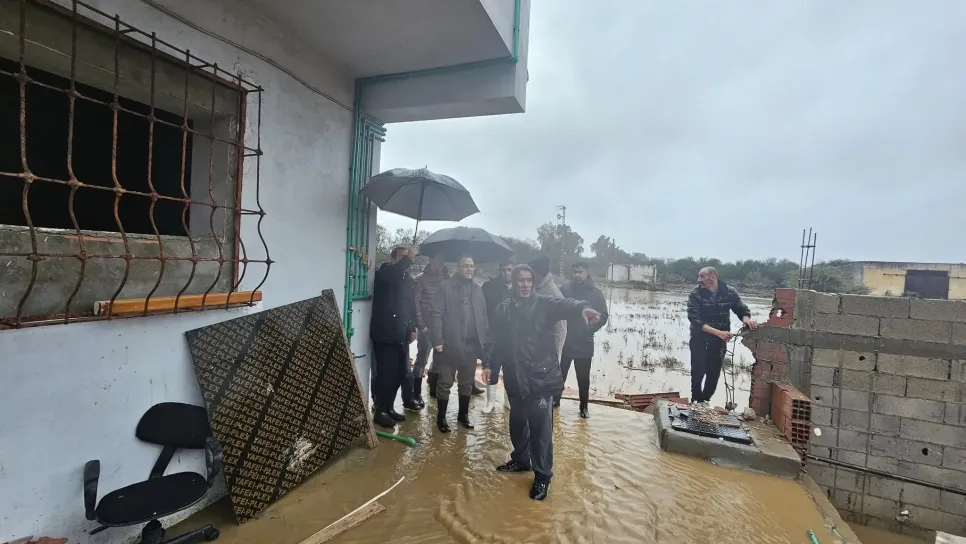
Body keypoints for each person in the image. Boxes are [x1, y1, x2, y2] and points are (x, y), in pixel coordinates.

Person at [484, 264, 600, 501]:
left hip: (541, 378)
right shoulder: (503, 308)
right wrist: (488, 364)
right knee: (517, 423)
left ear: (533, 282)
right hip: (515, 377)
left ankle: (543, 476)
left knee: (541, 431)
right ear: (513, 282)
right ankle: (521, 460)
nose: (525, 284)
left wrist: (583, 308)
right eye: (520, 280)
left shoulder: (545, 304)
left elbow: (566, 304)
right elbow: (493, 338)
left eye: (529, 280)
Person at [429, 255, 492, 433]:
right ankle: (441, 418)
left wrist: (485, 342)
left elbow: (484, 318)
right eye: (465, 266)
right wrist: (437, 340)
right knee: (445, 382)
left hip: (471, 346)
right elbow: (435, 313)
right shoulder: (445, 287)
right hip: (449, 344)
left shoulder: (478, 290)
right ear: (458, 268)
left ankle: (463, 416)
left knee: (466, 382)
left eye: (471, 266)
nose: (469, 269)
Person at [686, 266, 757, 406]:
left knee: (714, 371)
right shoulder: (695, 293)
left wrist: (746, 320)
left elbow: (741, 309)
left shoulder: (729, 292)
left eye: (701, 276)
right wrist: (718, 333)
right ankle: (695, 399)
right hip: (699, 338)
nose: (698, 280)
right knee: (698, 370)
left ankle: (705, 400)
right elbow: (695, 320)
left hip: (719, 341)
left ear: (712, 277)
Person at [369, 245, 418, 428]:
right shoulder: (384, 273)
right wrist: (408, 258)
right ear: (393, 259)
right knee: (386, 375)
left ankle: (389, 407)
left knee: (399, 374)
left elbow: (411, 306)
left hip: (401, 334)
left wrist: (412, 327)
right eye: (401, 257)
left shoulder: (408, 279)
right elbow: (393, 277)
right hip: (385, 334)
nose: (405, 260)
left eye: (407, 257)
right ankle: (380, 410)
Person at [559, 262, 609, 418]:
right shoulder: (565, 289)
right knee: (559, 375)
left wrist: (588, 330)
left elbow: (603, 316)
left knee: (583, 378)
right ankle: (555, 402)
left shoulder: (596, 293)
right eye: (574, 272)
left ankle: (584, 407)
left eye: (580, 272)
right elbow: (556, 308)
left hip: (584, 341)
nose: (576, 275)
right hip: (565, 340)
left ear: (587, 273)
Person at [528, 255, 567, 407]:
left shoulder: (553, 294)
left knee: (543, 391)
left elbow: (561, 330)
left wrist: (554, 356)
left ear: (538, 273)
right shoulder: (535, 288)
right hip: (533, 348)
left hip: (546, 352)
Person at [413, 253, 449, 408]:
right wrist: (421, 325)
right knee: (422, 358)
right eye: (438, 259)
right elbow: (415, 304)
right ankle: (416, 393)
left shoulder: (447, 278)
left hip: (442, 326)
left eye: (443, 259)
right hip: (426, 326)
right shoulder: (420, 279)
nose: (441, 262)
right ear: (431, 259)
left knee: (439, 359)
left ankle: (433, 388)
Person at [480, 261, 513, 412]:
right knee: (492, 368)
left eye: (509, 270)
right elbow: (483, 309)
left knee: (510, 372)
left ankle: (507, 400)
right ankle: (490, 402)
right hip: (494, 335)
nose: (506, 273)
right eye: (503, 270)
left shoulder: (518, 288)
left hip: (512, 337)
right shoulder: (489, 287)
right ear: (499, 271)